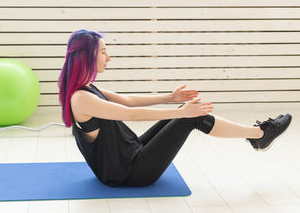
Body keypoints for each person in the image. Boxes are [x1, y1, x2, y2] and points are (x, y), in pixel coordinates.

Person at [58, 29, 292, 187]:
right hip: (129, 172)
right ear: (87, 56)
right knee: (190, 117)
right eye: (103, 52)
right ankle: (260, 135)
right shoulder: (81, 98)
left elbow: (127, 100)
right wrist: (181, 113)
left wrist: (170, 98)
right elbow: (131, 114)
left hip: (128, 156)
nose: (108, 57)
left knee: (185, 113)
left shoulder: (84, 88)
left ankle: (259, 136)